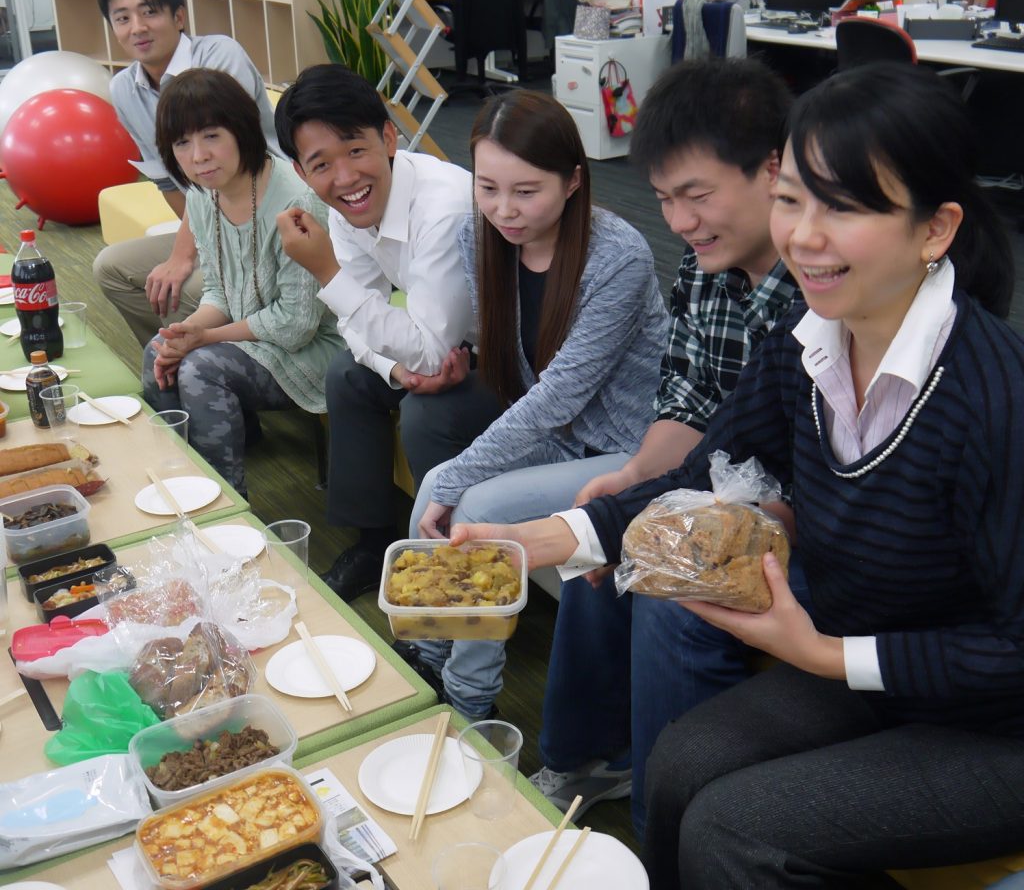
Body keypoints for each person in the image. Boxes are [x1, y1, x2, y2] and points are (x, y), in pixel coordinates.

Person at [455, 62, 1024, 888]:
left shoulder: (993, 398)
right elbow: (702, 471)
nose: (804, 235)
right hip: (862, 661)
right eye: (793, 199)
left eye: (845, 206)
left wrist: (826, 658)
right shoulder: (811, 344)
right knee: (683, 762)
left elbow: (1012, 651)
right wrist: (546, 538)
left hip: (990, 725)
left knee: (734, 831)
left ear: (934, 229)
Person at [529, 57, 799, 832]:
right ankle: (584, 758)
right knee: (603, 529)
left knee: (667, 586)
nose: (680, 221)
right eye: (663, 199)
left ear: (773, 169)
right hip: (724, 482)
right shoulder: (708, 264)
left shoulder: (824, 278)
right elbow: (686, 398)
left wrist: (670, 516)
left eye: (697, 195)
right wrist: (637, 477)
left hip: (803, 508)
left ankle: (666, 824)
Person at [403, 89, 668, 720]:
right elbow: (522, 376)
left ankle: (469, 701)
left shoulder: (618, 255)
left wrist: (466, 468)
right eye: (488, 188)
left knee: (474, 499)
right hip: (561, 433)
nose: (504, 210)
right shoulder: (482, 236)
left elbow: (560, 393)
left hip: (628, 446)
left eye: (526, 191)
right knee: (442, 485)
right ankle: (431, 655)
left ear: (574, 180)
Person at [274, 63, 495, 600]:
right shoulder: (348, 210)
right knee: (349, 374)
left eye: (356, 150)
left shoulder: (442, 209)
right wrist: (391, 367)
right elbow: (364, 321)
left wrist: (326, 271)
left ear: (390, 137)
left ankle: (456, 562)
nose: (345, 177)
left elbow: (429, 346)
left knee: (426, 413)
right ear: (303, 174)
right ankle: (374, 542)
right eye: (321, 163)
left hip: (513, 354)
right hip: (442, 343)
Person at [142, 68, 341, 497]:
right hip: (254, 341)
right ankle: (185, 486)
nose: (198, 156)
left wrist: (205, 338)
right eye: (182, 143)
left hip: (316, 352)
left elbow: (296, 325)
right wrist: (187, 331)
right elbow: (220, 290)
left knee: (199, 368)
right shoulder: (200, 196)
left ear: (242, 129)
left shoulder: (296, 202)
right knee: (159, 351)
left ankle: (225, 506)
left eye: (211, 135)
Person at [93, 0, 280, 347]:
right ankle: (174, 359)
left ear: (179, 16)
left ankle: (232, 360)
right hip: (214, 225)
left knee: (192, 286)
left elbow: (233, 169)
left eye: (149, 12)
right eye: (122, 18)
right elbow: (170, 181)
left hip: (269, 218)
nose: (138, 28)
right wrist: (204, 248)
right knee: (111, 268)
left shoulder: (218, 57)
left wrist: (183, 256)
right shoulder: (124, 89)